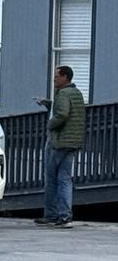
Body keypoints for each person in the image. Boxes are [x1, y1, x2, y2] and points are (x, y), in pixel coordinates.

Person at [34, 66, 86, 227]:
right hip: (73, 142)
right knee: (65, 179)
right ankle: (65, 216)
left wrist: (50, 125)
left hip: (58, 141)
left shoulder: (63, 93)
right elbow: (65, 110)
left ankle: (51, 214)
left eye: (56, 76)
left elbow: (62, 114)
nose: (54, 79)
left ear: (65, 77)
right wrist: (48, 104)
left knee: (51, 179)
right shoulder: (76, 93)